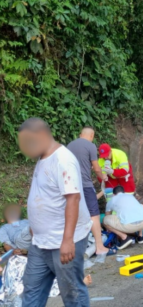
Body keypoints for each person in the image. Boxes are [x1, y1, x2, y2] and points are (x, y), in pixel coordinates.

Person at [18, 118, 92, 307]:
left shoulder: (63, 159)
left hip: (63, 241)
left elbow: (73, 199)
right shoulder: (43, 158)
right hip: (41, 242)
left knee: (72, 293)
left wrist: (67, 240)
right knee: (31, 290)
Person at [67, 127, 113, 257]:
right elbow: (97, 167)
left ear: (80, 134)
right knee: (94, 214)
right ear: (91, 135)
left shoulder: (69, 145)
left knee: (75, 215)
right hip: (85, 185)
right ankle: (99, 247)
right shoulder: (91, 146)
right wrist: (102, 176)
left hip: (70, 186)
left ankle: (73, 248)